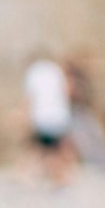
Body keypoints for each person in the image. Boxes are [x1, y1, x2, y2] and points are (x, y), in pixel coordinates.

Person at [21, 54, 77, 188]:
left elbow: (29, 98)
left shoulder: (33, 72)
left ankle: (28, 178)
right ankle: (63, 179)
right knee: (59, 150)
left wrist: (25, 118)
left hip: (41, 117)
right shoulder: (56, 70)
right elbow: (67, 91)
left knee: (39, 150)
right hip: (60, 116)